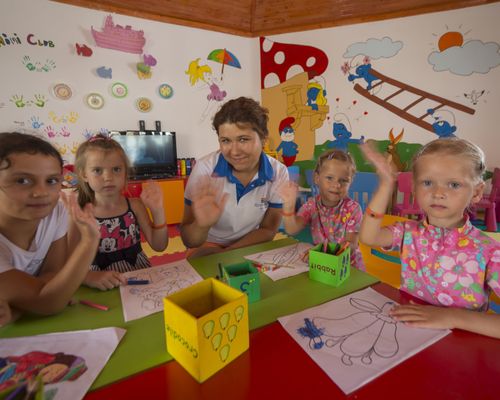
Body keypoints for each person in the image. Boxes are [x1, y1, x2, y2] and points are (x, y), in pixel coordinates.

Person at [360, 138, 500, 338]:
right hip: (408, 335)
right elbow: (368, 237)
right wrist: (386, 185)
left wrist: (452, 317)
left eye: (453, 184)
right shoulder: (408, 232)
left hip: (462, 347)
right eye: (427, 182)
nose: (438, 193)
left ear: (477, 192)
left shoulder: (489, 251)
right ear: (415, 189)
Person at [0, 132, 100, 321]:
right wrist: (89, 242)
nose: (41, 193)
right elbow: (49, 302)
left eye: (52, 180)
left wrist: (20, 307)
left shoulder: (55, 212)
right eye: (22, 180)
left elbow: (54, 273)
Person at [180, 97, 289, 258]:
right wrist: (202, 226)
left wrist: (227, 254)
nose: (234, 151)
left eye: (243, 139)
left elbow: (268, 230)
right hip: (207, 244)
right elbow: (190, 240)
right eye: (225, 141)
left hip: (251, 242)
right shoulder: (204, 170)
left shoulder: (279, 172)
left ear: (264, 138)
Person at [71, 135, 168, 290]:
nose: (108, 177)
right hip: (98, 284)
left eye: (116, 169)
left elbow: (160, 246)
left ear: (125, 172)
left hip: (138, 276)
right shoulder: (80, 213)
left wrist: (158, 211)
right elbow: (67, 263)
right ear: (84, 174)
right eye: (97, 170)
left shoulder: (135, 206)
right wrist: (88, 277)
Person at [280, 149, 365, 271]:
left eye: (343, 180)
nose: (336, 185)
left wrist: (321, 252)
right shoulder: (311, 206)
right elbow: (292, 229)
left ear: (350, 182)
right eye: (329, 178)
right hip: (323, 266)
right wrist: (288, 206)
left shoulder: (353, 209)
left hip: (350, 268)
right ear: (317, 178)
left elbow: (350, 244)